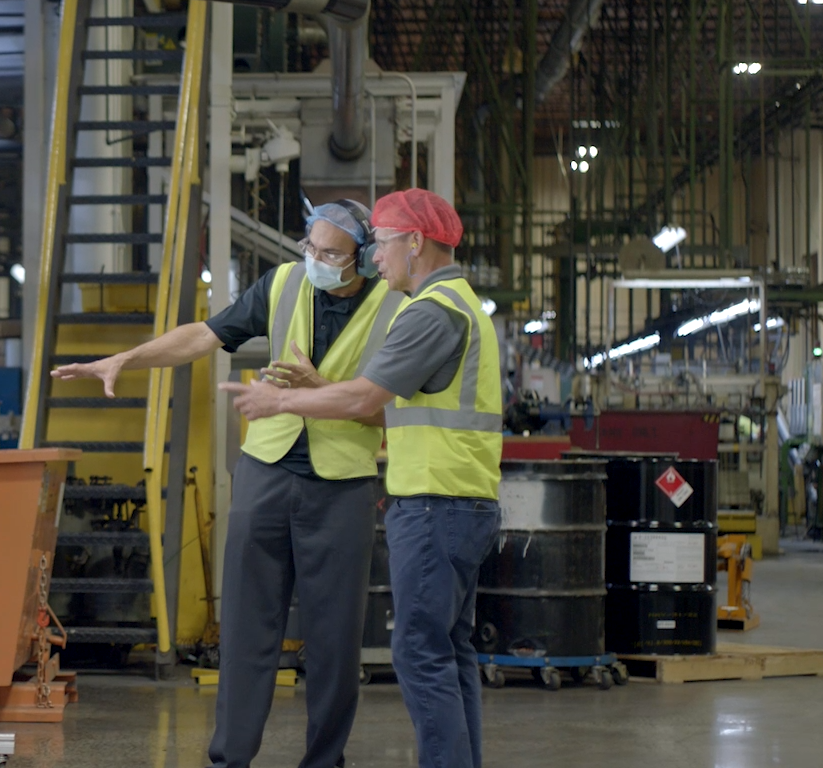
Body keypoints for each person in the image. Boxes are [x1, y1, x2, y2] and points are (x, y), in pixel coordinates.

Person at [52, 199, 402, 768]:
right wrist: (128, 358)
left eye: (330, 253)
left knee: (335, 642)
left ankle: (325, 760)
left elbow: (389, 413)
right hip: (265, 473)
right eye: (309, 247)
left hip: (341, 486)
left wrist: (318, 389)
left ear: (362, 257)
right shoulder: (285, 284)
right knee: (244, 632)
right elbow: (204, 335)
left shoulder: (394, 309)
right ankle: (229, 759)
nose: (314, 260)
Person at [221, 188, 504, 768]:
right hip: (464, 498)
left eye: (383, 244)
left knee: (422, 657)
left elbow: (368, 397)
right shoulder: (463, 303)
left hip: (433, 502)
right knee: (452, 653)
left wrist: (281, 404)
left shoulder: (429, 311)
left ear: (416, 242)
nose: (377, 257)